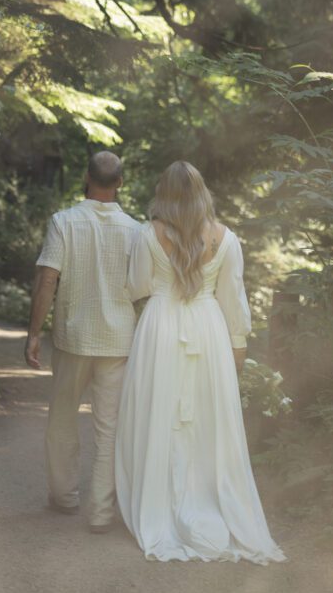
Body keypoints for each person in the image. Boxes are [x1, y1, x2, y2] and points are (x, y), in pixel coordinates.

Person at [115, 161, 286, 564]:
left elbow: (137, 287)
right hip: (209, 328)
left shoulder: (147, 234)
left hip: (160, 327)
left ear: (164, 193)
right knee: (209, 421)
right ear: (203, 193)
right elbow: (233, 298)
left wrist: (156, 286)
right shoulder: (226, 239)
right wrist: (238, 346)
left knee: (158, 412)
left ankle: (160, 505)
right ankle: (207, 501)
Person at [25, 151, 139, 533]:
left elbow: (47, 279)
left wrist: (33, 333)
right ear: (120, 183)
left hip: (74, 337)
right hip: (119, 341)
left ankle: (64, 496)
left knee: (62, 418)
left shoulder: (64, 222)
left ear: (86, 177)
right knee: (110, 427)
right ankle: (102, 511)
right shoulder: (136, 231)